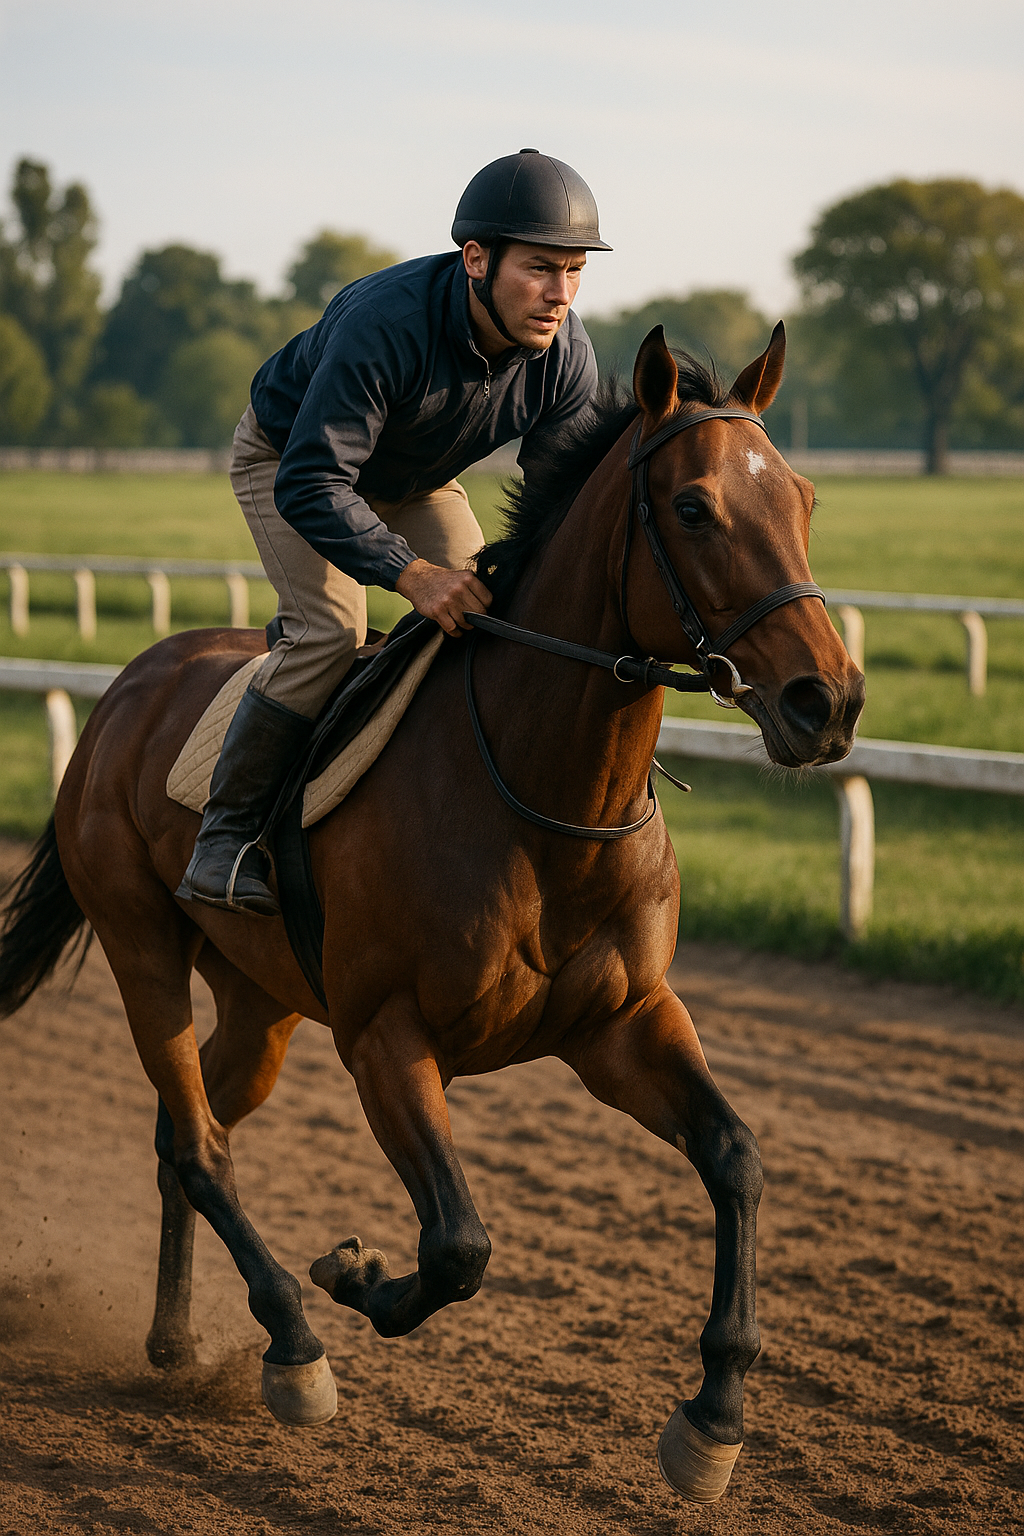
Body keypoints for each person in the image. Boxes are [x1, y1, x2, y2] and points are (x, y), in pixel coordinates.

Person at [177, 149, 611, 915]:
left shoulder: (566, 355)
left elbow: (553, 511)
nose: (559, 294)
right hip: (293, 462)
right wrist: (412, 575)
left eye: (575, 271)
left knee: (497, 615)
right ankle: (226, 837)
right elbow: (313, 482)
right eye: (541, 268)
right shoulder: (386, 323)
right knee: (331, 630)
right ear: (476, 259)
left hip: (413, 478)